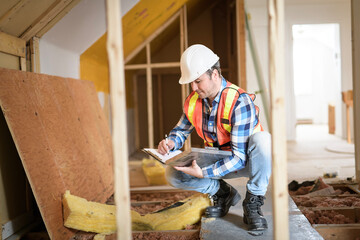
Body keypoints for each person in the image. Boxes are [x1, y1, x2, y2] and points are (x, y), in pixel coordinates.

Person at [157, 44, 271, 231]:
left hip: (247, 160)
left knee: (263, 140)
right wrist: (171, 142)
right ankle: (223, 193)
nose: (193, 87)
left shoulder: (239, 101)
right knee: (173, 174)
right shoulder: (194, 101)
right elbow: (181, 131)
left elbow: (239, 158)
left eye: (198, 81)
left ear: (215, 75)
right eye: (191, 82)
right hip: (217, 157)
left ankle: (253, 203)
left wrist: (204, 174)